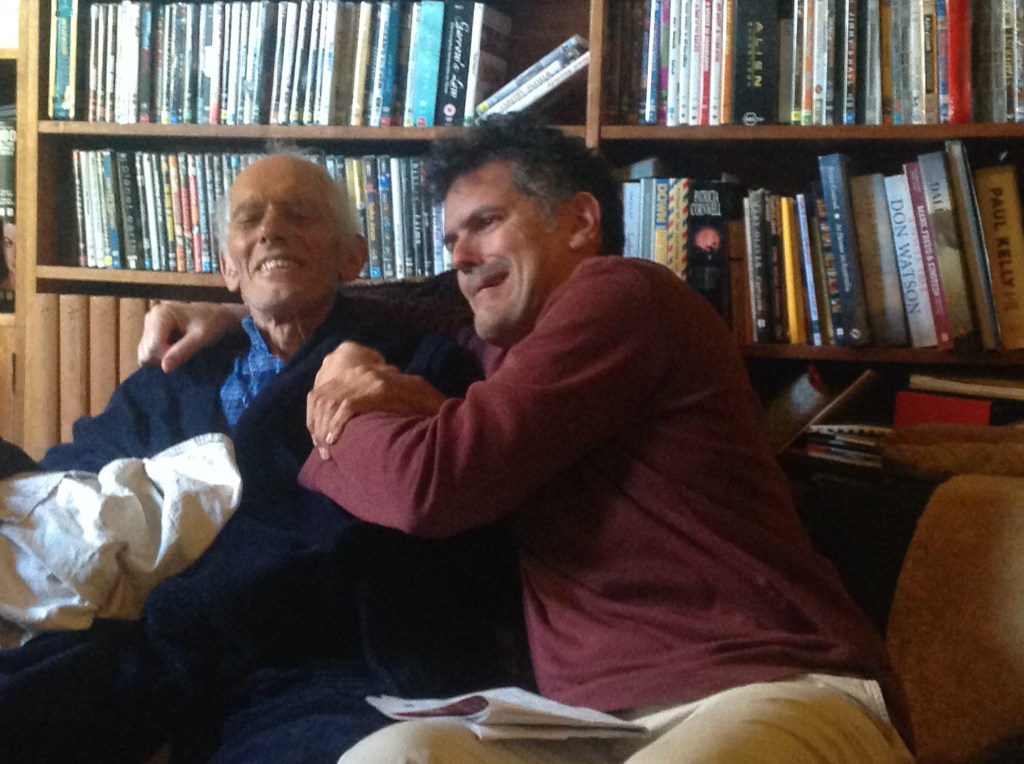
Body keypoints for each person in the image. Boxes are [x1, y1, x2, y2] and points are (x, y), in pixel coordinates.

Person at [142, 116, 914, 764]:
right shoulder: (490, 347)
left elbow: (434, 483)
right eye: (451, 240)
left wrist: (331, 418)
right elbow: (394, 303)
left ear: (580, 220)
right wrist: (241, 312)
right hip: (584, 726)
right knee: (391, 755)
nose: (461, 257)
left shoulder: (623, 295)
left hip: (763, 686)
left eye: (484, 224)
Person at [1, 154, 521, 764]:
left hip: (319, 657)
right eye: (250, 219)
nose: (271, 229)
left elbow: (459, 526)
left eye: (298, 215)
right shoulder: (173, 376)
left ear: (351, 257)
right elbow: (66, 484)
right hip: (152, 647)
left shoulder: (411, 368)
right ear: (228, 267)